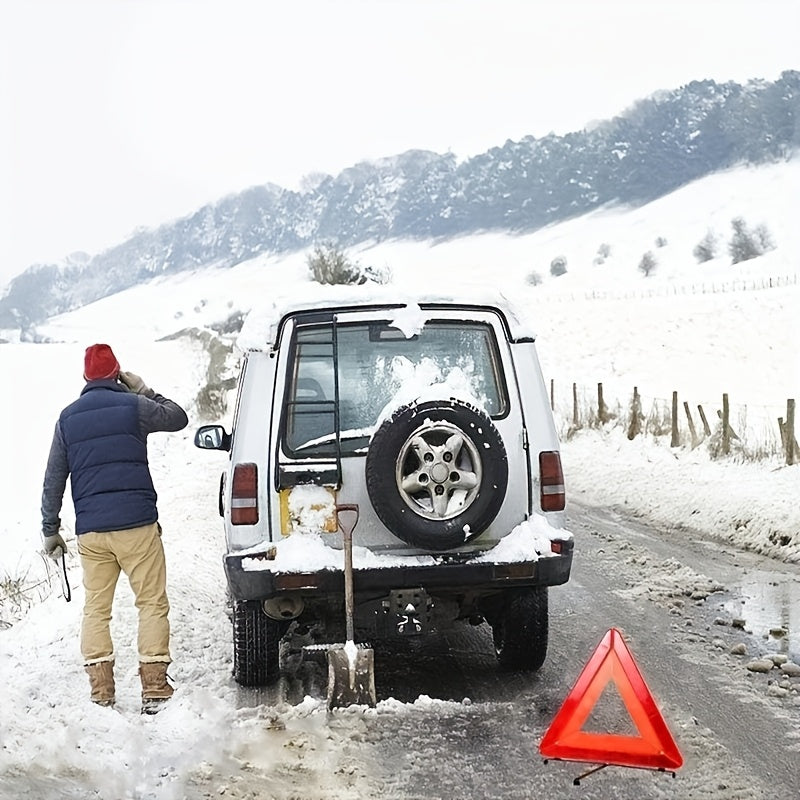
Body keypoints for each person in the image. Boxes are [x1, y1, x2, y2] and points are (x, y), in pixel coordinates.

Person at [40, 343, 188, 713]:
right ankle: (154, 688)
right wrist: (143, 389)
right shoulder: (134, 407)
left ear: (86, 377)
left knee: (96, 608)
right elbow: (178, 417)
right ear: (117, 374)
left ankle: (101, 691)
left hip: (92, 533)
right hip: (137, 526)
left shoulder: (68, 418)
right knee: (151, 603)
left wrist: (50, 529)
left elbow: (53, 479)